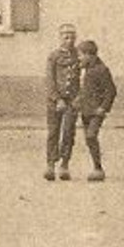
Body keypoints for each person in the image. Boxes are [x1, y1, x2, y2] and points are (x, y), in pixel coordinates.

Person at [75, 39, 118, 182]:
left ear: (89, 55)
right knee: (89, 139)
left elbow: (111, 91)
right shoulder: (86, 69)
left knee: (91, 136)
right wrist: (78, 101)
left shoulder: (102, 70)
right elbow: (86, 90)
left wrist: (103, 108)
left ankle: (98, 168)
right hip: (86, 111)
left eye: (80, 55)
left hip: (96, 112)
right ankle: (96, 167)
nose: (79, 58)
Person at [45, 23, 81, 181]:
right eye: (66, 37)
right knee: (54, 132)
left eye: (72, 36)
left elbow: (84, 78)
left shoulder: (79, 56)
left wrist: (79, 97)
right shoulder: (53, 56)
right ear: (60, 38)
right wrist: (57, 99)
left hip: (72, 100)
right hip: (55, 101)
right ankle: (50, 164)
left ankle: (65, 164)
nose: (69, 40)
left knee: (68, 132)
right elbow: (50, 80)